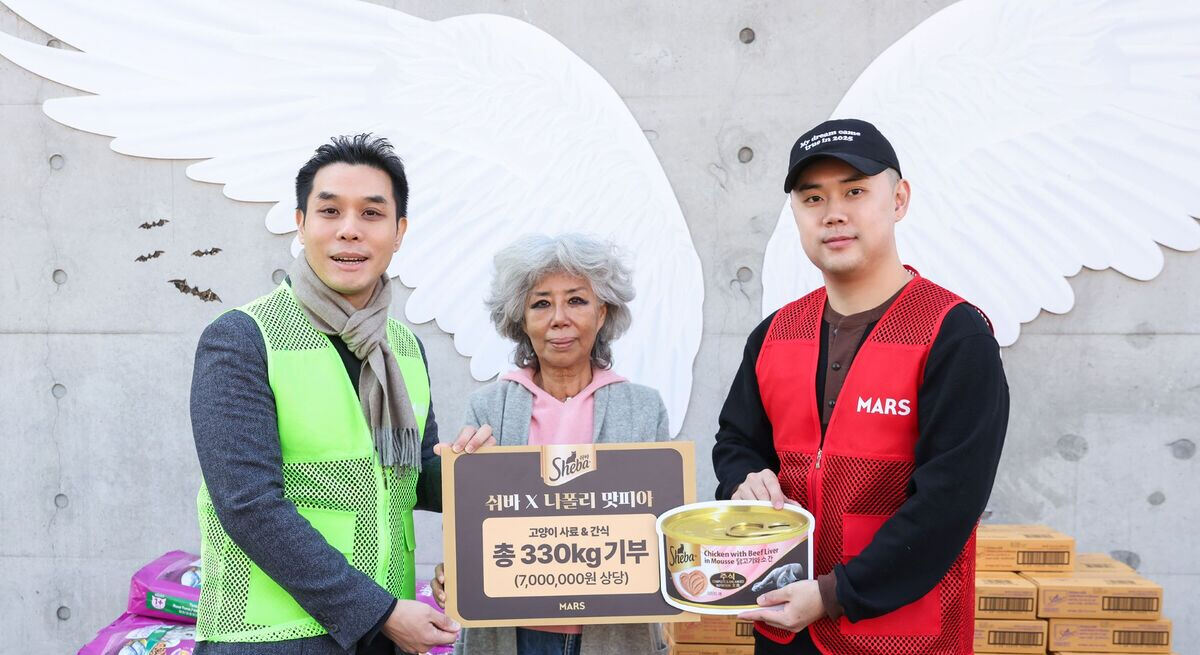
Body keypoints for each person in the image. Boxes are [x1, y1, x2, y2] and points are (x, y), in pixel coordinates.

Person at [712, 119, 1008, 654]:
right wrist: (744, 479)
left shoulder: (953, 334)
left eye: (855, 191)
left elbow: (950, 502)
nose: (834, 213)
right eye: (812, 198)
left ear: (898, 200)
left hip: (900, 632)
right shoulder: (775, 334)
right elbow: (736, 442)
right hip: (787, 625)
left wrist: (834, 594)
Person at [190, 134, 490, 655]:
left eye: (372, 214)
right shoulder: (242, 337)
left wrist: (470, 473)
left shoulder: (401, 347)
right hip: (271, 639)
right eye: (330, 211)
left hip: (381, 633)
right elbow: (248, 504)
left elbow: (404, 475)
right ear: (301, 223)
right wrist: (379, 612)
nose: (350, 229)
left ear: (399, 232)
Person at [430, 232, 670, 655]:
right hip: (511, 637)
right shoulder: (487, 407)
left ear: (603, 313)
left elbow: (662, 527)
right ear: (520, 319)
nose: (559, 318)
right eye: (541, 303)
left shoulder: (644, 407)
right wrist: (455, 567)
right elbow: (468, 532)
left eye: (577, 300)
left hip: (616, 638)